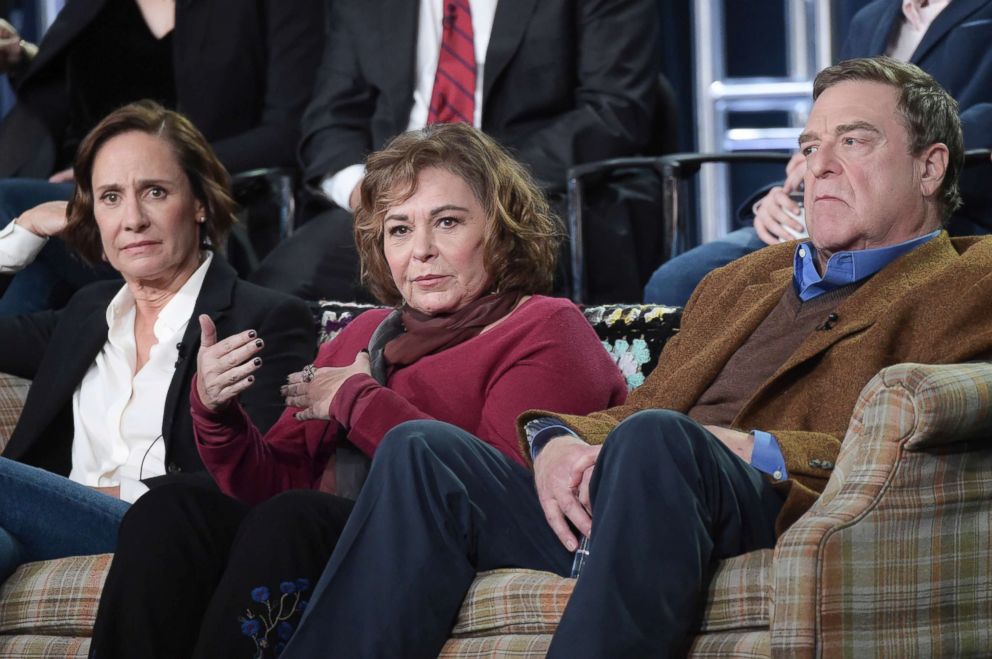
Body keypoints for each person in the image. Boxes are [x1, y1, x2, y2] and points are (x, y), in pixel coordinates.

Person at [264, 57, 992, 658]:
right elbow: (639, 408)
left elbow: (900, 437)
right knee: (425, 450)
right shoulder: (740, 279)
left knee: (658, 441)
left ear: (931, 167)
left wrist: (754, 448)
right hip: (638, 495)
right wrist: (554, 441)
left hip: (772, 501)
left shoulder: (970, 279)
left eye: (852, 142)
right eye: (808, 147)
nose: (816, 168)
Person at [88, 123, 628, 658]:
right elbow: (273, 481)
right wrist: (216, 413)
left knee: (295, 519)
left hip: (430, 544)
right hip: (325, 528)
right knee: (172, 510)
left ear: (502, 230)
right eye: (398, 229)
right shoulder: (365, 335)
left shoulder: (544, 327)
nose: (421, 250)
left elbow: (482, 489)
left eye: (447, 222)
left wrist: (357, 400)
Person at [0, 101, 314, 583]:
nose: (133, 219)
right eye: (109, 197)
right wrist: (22, 233)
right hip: (45, 524)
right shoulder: (87, 312)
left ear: (200, 202)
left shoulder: (267, 318)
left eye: (154, 192)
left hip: (164, 528)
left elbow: (260, 477)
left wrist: (83, 498)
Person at [248, 0, 662, 302]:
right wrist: (365, 192)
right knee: (279, 289)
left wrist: (481, 182)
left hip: (532, 191)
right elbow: (330, 121)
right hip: (391, 201)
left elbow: (614, 109)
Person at [644, 0, 992, 306]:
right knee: (677, 282)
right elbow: (831, 127)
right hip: (824, 215)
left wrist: (854, 147)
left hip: (942, 210)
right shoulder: (870, 19)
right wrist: (786, 191)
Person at [0, 0, 324, 314]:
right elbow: (68, 91)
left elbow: (289, 132)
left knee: (14, 206)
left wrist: (167, 166)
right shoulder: (94, 6)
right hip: (96, 194)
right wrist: (21, 58)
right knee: (32, 236)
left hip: (217, 206)